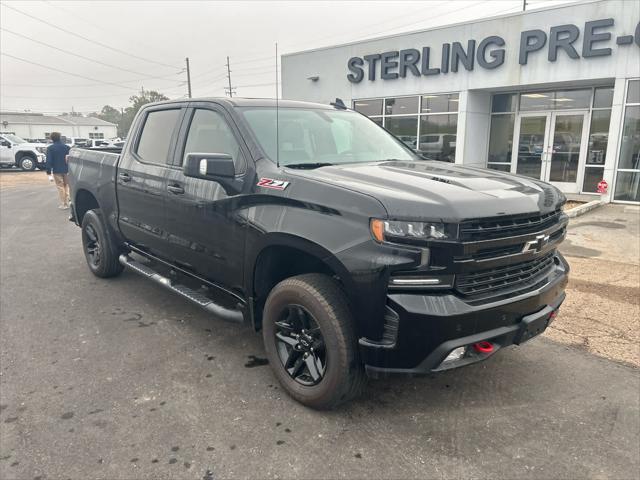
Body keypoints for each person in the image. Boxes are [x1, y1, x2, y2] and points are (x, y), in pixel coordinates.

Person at [45, 132, 71, 209]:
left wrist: (48, 172)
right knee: (67, 185)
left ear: (51, 139)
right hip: (67, 169)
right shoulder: (67, 147)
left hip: (57, 170)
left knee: (60, 186)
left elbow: (49, 161)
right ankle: (69, 200)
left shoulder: (50, 148)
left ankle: (64, 204)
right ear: (60, 137)